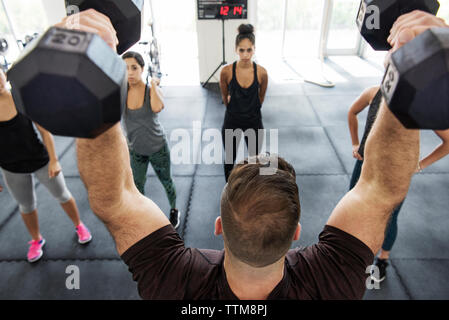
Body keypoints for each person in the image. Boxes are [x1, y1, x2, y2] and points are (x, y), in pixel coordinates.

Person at [63, 9, 442, 299]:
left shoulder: (172, 280)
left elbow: (113, 199)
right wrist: (410, 69)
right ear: (296, 234)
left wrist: (92, 71)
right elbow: (381, 189)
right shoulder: (333, 280)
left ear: (218, 226)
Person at [348, 85, 449, 282]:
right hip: (365, 162)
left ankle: (383, 259)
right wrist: (355, 143)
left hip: (396, 173)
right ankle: (355, 252)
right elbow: (352, 112)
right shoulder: (374, 92)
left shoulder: (422, 103)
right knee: (354, 208)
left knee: (389, 218)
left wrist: (419, 165)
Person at [0, 68, 92, 263]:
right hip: (10, 166)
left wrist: (54, 160)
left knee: (63, 194)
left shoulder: (21, 98)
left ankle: (79, 225)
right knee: (26, 205)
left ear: (4, 74)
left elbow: (45, 131)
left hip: (39, 159)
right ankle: (36, 240)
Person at [121, 51, 180, 229]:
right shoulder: (121, 94)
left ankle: (174, 209)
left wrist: (154, 84)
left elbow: (156, 107)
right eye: (125, 69)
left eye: (134, 68)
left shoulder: (151, 90)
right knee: (138, 186)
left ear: (142, 69)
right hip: (136, 150)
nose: (130, 72)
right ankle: (143, 214)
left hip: (157, 148)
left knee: (167, 181)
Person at [219, 24, 268, 182]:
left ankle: (250, 192)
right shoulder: (226, 72)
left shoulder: (262, 72)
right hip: (232, 119)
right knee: (229, 158)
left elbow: (261, 98)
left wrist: (249, 109)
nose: (245, 54)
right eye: (242, 50)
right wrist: (236, 109)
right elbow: (225, 96)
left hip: (253, 120)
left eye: (249, 50)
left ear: (254, 49)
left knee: (254, 161)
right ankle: (229, 188)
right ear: (236, 49)